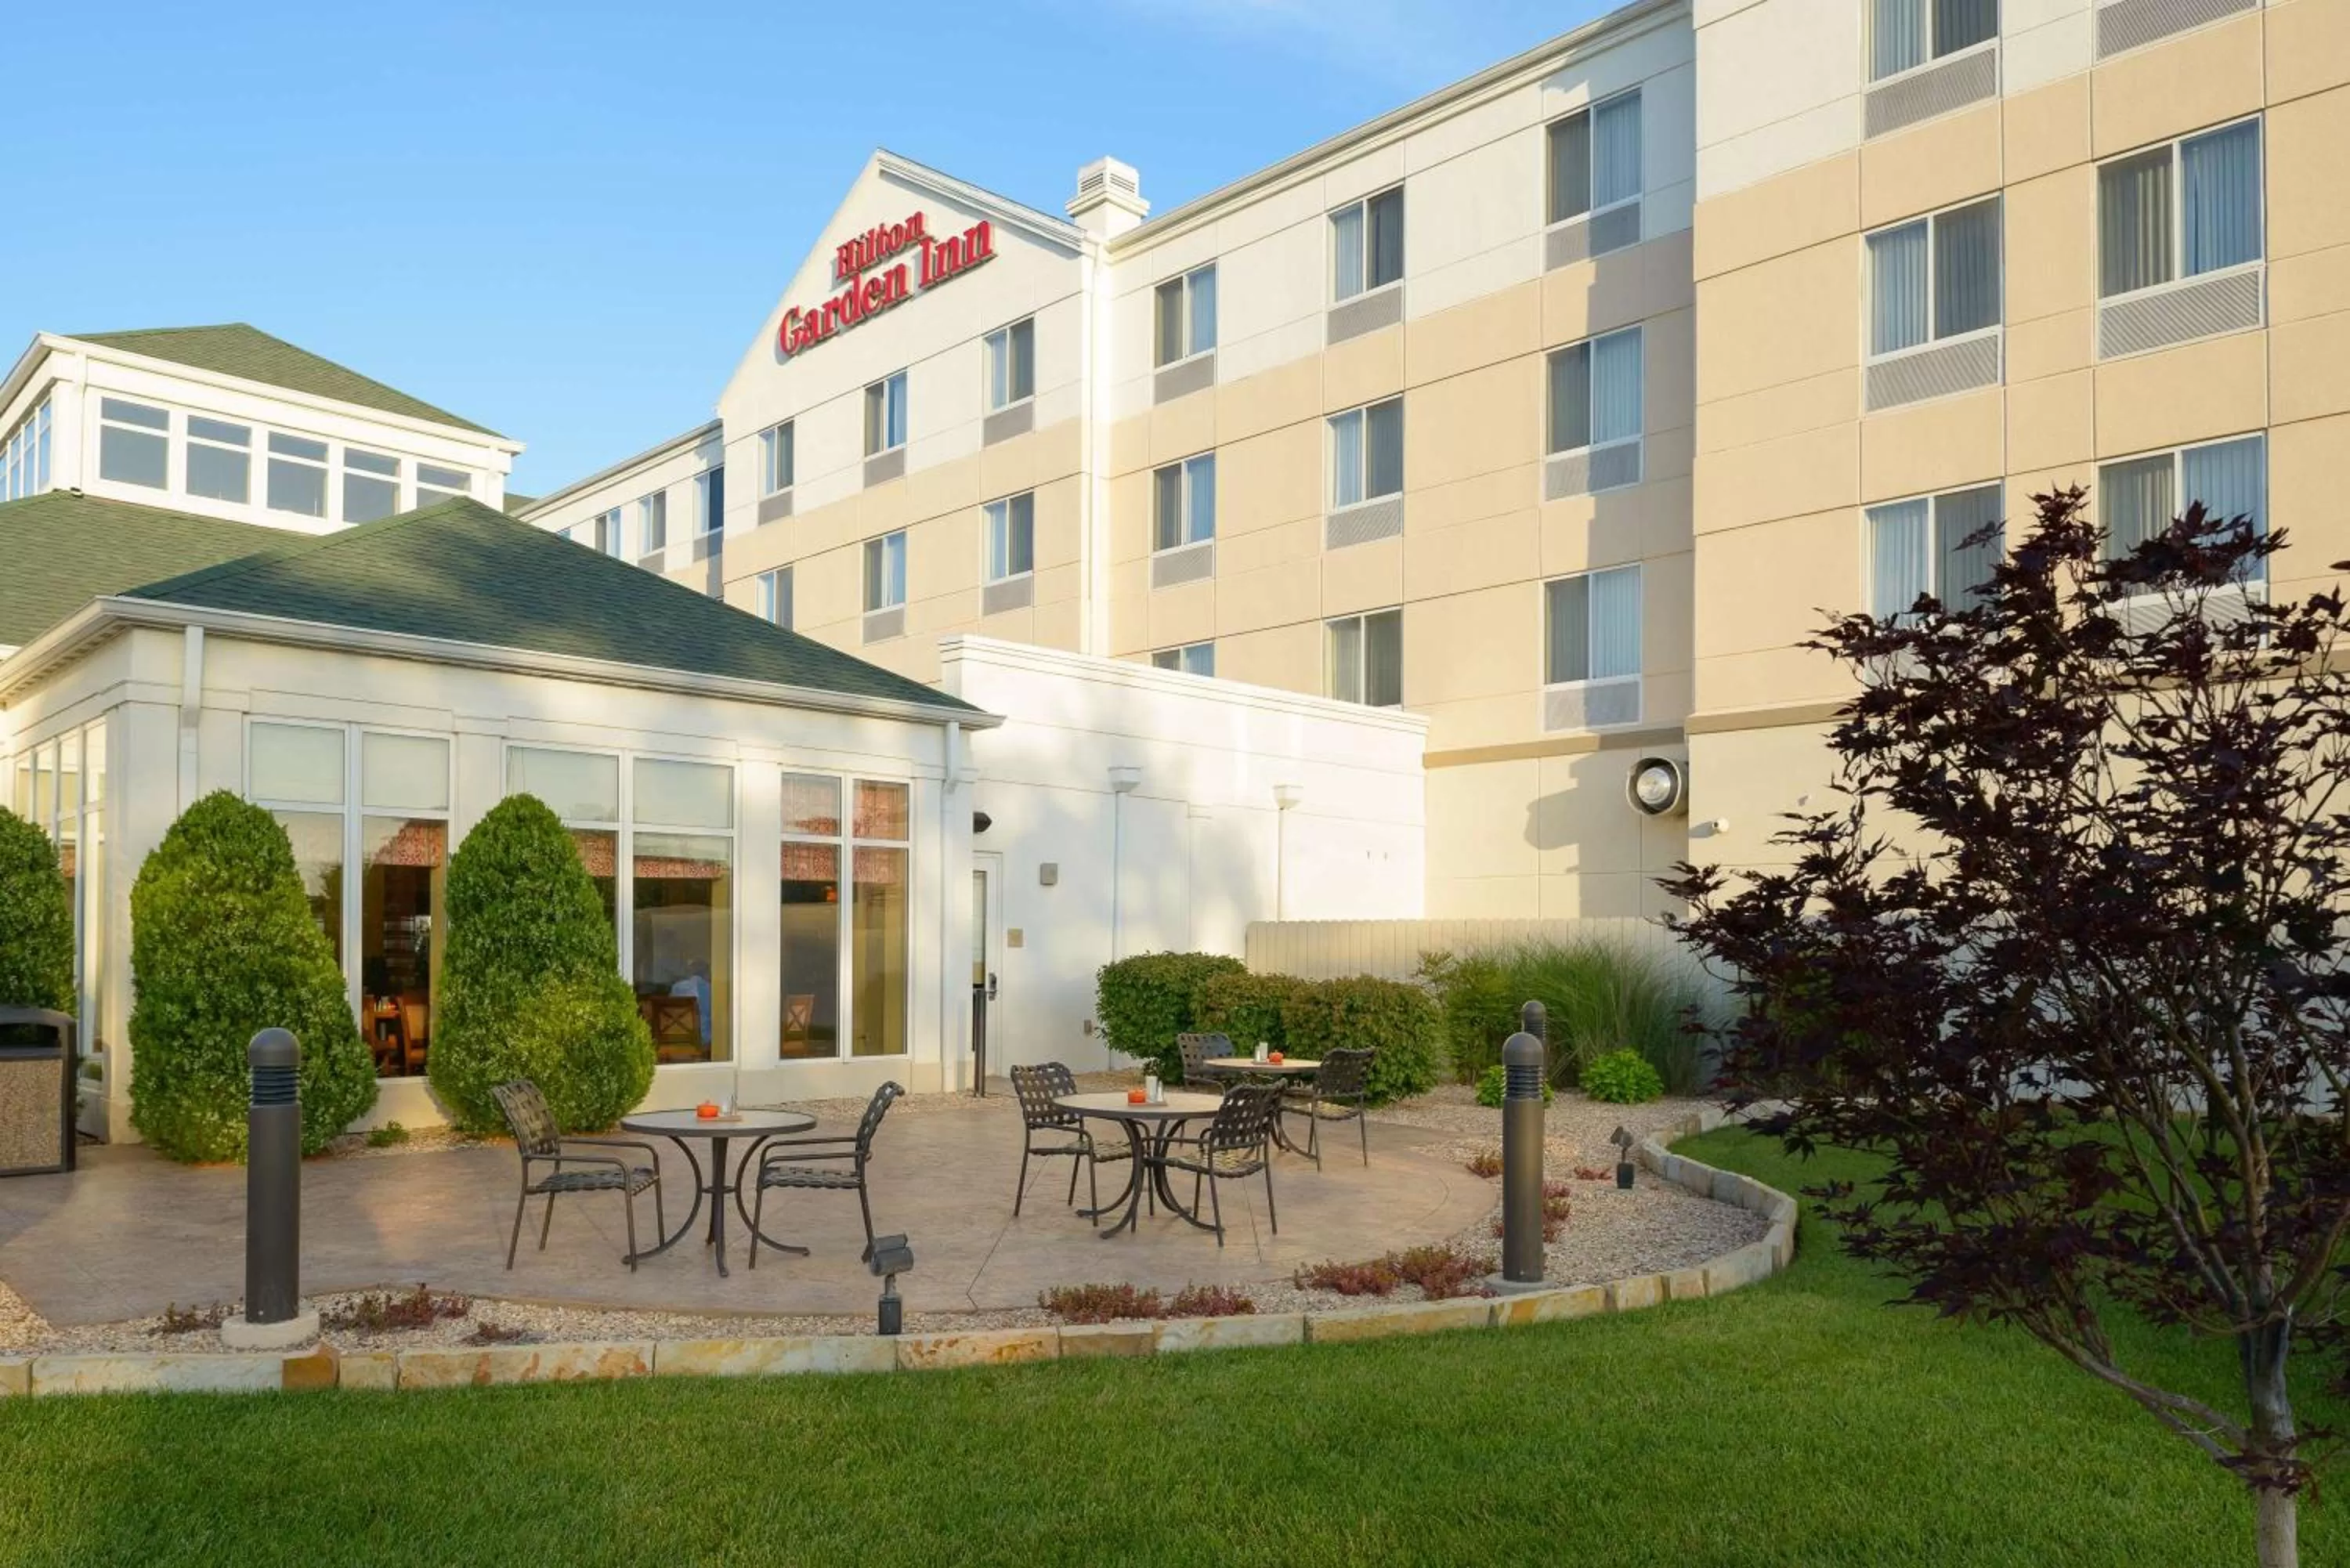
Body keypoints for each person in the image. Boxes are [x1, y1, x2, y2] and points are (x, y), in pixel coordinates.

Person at [669, 960, 712, 1049]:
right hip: (703, 1040)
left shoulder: (676, 988)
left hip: (677, 1037)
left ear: (690, 972)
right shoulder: (711, 989)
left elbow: (670, 1013)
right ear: (706, 973)